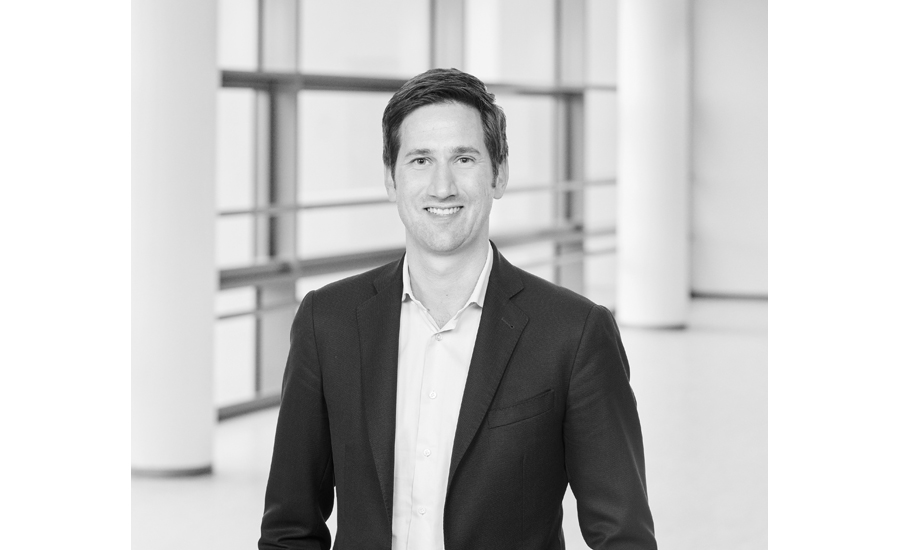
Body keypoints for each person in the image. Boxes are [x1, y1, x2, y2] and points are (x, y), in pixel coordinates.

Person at [259, 68, 657, 550]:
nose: (442, 186)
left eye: (464, 158)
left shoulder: (573, 334)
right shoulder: (328, 322)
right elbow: (289, 529)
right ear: (390, 178)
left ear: (499, 174)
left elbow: (623, 537)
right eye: (420, 160)